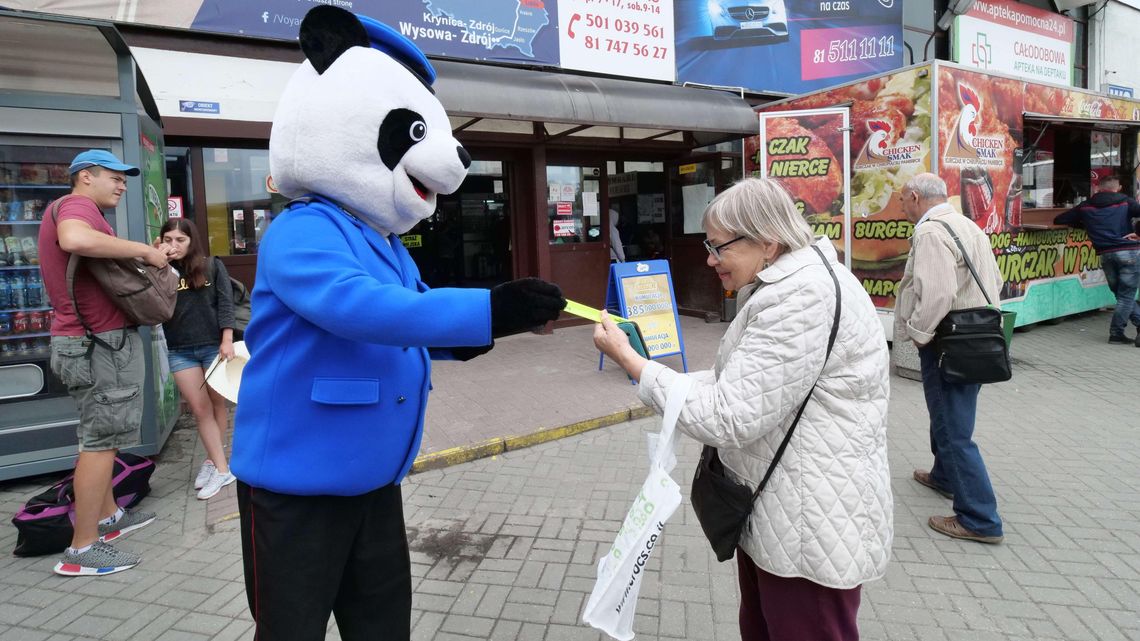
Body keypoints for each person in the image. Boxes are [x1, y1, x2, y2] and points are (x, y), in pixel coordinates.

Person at [594, 178, 892, 641]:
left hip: (809, 526)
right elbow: (742, 383)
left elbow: (729, 416)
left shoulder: (801, 298)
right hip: (785, 510)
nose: (709, 260)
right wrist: (657, 373)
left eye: (718, 247)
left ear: (767, 241)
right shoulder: (789, 283)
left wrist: (635, 366)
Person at [36, 150, 168, 576]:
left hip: (88, 342)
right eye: (115, 177)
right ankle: (82, 550)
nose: (123, 184)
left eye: (126, 179)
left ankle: (109, 520)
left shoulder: (75, 208)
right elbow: (74, 239)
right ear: (85, 177)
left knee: (100, 435)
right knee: (99, 443)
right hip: (99, 345)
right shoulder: (77, 206)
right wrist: (144, 253)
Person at [896, 172, 1005, 544]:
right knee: (949, 415)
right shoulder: (964, 224)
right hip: (974, 338)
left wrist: (919, 334)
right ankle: (944, 476)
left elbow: (938, 294)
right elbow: (996, 279)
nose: (902, 208)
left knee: (953, 430)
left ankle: (979, 518)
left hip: (948, 341)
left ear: (914, 196)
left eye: (902, 201)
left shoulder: (930, 232)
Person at [156, 218, 237, 500]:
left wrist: (227, 339)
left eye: (180, 240)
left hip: (213, 346)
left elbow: (226, 303)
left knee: (217, 405)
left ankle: (214, 461)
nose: (173, 245)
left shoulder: (211, 265)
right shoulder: (159, 268)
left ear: (192, 241)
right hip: (179, 349)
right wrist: (155, 261)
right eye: (167, 239)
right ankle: (222, 467)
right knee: (200, 409)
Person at [1054, 175, 1140, 345]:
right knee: (1125, 296)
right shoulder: (1125, 202)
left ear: (1098, 188)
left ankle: (1119, 333)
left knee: (1122, 296)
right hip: (1128, 253)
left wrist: (1086, 223)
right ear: (1119, 187)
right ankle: (1116, 334)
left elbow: (1060, 219)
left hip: (1106, 255)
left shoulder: (1085, 206)